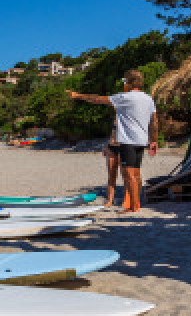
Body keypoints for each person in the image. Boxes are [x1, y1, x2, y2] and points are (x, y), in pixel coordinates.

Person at [67, 69, 158, 213]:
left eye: (125, 82)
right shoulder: (148, 99)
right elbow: (154, 122)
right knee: (136, 173)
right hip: (141, 141)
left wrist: (78, 95)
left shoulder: (125, 97)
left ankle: (134, 207)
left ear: (128, 83)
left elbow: (97, 99)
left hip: (128, 141)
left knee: (129, 175)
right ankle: (135, 203)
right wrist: (154, 141)